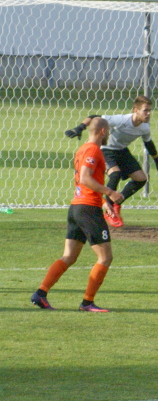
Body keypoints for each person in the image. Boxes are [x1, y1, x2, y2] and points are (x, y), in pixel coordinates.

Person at [31, 117, 123, 312]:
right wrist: (110, 192)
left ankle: (40, 293)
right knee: (105, 257)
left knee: (69, 256)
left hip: (77, 207)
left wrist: (103, 202)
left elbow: (86, 181)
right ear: (103, 131)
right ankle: (87, 302)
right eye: (108, 131)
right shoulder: (93, 150)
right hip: (88, 209)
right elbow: (85, 178)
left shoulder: (82, 149)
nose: (109, 134)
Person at [65, 95, 158, 229]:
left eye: (149, 110)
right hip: (106, 150)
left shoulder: (145, 127)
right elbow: (95, 117)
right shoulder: (122, 120)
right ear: (135, 110)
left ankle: (117, 203)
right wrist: (80, 127)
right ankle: (109, 211)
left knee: (141, 179)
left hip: (122, 151)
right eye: (145, 110)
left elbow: (149, 144)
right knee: (115, 174)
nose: (148, 114)